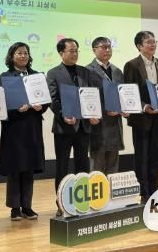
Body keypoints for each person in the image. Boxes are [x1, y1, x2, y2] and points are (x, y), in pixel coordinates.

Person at [47, 38, 101, 215]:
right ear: (61, 53)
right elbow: (53, 99)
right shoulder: (53, 73)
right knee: (62, 167)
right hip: (64, 127)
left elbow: (92, 96)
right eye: (71, 51)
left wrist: (94, 114)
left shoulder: (85, 72)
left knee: (83, 165)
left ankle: (82, 202)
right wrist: (63, 114)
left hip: (83, 127)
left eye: (76, 50)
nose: (75, 54)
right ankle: (61, 204)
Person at [0, 42, 47, 221]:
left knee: (29, 167)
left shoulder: (37, 76)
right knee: (15, 167)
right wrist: (15, 109)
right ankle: (14, 208)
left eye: (25, 53)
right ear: (12, 56)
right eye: (19, 53)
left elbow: (46, 100)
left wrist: (41, 106)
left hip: (32, 126)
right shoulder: (5, 77)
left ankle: (27, 206)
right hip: (13, 128)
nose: (23, 56)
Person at [123, 31, 158, 202]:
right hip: (141, 118)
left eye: (154, 41)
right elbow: (129, 91)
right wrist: (144, 106)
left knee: (155, 156)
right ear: (139, 46)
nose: (153, 44)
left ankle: (155, 193)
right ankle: (144, 193)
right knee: (142, 156)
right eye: (148, 42)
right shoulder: (131, 65)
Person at [85, 36, 124, 175]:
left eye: (109, 47)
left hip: (114, 124)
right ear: (94, 50)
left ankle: (111, 190)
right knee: (97, 168)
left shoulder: (117, 71)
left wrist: (124, 109)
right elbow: (86, 98)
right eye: (103, 47)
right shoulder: (87, 71)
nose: (107, 50)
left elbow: (122, 95)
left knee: (113, 167)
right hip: (98, 124)